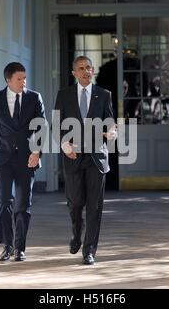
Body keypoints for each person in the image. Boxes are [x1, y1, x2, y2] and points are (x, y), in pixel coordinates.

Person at [53, 56, 116, 265]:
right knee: (75, 203)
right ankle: (76, 234)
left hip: (97, 157)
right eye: (81, 68)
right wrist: (64, 145)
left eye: (89, 67)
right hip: (73, 156)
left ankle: (89, 250)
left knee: (94, 206)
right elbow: (57, 125)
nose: (86, 71)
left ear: (93, 70)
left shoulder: (104, 95)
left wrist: (111, 132)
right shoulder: (64, 95)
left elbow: (110, 122)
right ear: (74, 73)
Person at [0, 62, 47, 262]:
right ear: (8, 80)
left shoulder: (34, 98)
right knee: (4, 202)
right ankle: (7, 246)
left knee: (23, 204)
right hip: (2, 160)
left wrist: (36, 152)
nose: (23, 82)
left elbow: (42, 127)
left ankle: (20, 248)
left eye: (24, 78)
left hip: (27, 159)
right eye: (19, 79)